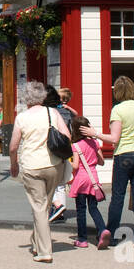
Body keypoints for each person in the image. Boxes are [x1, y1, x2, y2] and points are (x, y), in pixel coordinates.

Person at [84, 76, 134, 249]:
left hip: (125, 155)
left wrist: (95, 133)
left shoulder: (118, 110)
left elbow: (114, 138)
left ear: (117, 92)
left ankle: (112, 235)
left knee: (118, 197)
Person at [9, 81, 71, 263]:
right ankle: (36, 241)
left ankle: (44, 251)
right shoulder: (53, 113)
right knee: (44, 206)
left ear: (26, 99)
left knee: (39, 207)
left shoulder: (22, 117)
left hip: (31, 166)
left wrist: (14, 164)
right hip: (53, 165)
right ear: (43, 96)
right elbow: (67, 136)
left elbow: (13, 147)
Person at [67, 114, 107, 249]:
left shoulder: (76, 146)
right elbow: (101, 162)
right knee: (93, 207)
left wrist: (67, 164)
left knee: (81, 210)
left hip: (81, 180)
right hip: (93, 178)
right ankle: (102, 230)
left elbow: (76, 166)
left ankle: (82, 239)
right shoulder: (95, 143)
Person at [48, 86, 76, 223]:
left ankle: (56, 206)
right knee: (61, 183)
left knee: (49, 182)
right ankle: (61, 210)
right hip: (66, 149)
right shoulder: (69, 113)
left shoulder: (52, 112)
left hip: (53, 148)